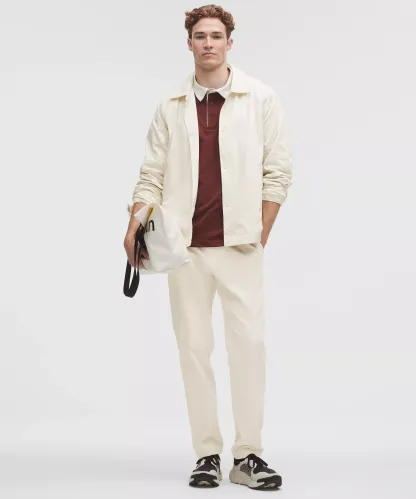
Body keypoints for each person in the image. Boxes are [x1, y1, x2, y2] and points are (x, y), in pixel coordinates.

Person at [124, 4, 292, 491]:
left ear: (230, 42)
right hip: (185, 250)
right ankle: (207, 456)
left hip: (240, 247)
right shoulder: (170, 105)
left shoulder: (260, 98)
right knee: (194, 351)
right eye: (200, 36)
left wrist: (259, 232)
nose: (208, 43)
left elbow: (278, 172)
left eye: (216, 35)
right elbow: (151, 175)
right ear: (189, 43)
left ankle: (249, 456)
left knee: (249, 349)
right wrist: (133, 225)